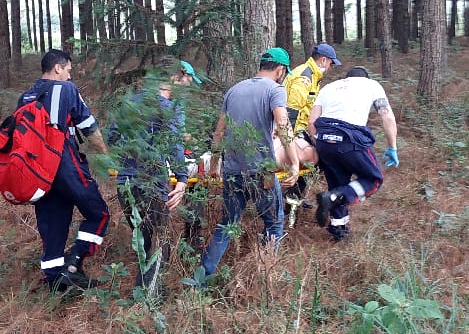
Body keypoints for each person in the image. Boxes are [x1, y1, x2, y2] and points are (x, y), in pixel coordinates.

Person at [197, 47, 300, 282]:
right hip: (261, 172)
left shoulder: (234, 90)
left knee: (226, 225)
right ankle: (264, 278)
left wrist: (214, 166)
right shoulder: (275, 90)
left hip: (232, 171)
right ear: (280, 70)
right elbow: (283, 125)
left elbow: (218, 133)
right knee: (274, 224)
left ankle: (200, 281)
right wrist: (294, 163)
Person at [18, 49, 110, 293]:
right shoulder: (67, 89)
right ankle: (74, 262)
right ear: (58, 68)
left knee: (53, 224)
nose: (69, 75)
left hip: (37, 172)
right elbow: (88, 126)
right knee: (98, 213)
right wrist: (106, 156)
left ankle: (55, 282)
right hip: (62, 161)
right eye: (68, 69)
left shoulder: (26, 97)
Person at [113, 65, 201, 292]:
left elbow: (111, 138)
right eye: (187, 84)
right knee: (159, 241)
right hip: (150, 183)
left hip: (125, 182)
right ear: (176, 78)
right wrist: (182, 179)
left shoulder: (130, 103)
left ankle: (143, 292)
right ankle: (149, 299)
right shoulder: (164, 108)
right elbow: (174, 144)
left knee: (142, 238)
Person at [308, 65, 399, 243]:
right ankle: (334, 197)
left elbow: (312, 121)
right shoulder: (372, 85)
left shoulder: (328, 87)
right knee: (374, 180)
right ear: (364, 77)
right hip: (350, 139)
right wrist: (393, 147)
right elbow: (387, 116)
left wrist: (319, 144)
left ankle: (338, 229)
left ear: (347, 78)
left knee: (337, 183)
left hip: (324, 139)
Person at [284, 43, 342, 134]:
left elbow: (308, 103)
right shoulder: (305, 77)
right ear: (323, 60)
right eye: (331, 64)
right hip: (294, 130)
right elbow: (292, 110)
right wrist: (290, 138)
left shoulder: (313, 76)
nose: (330, 68)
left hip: (301, 128)